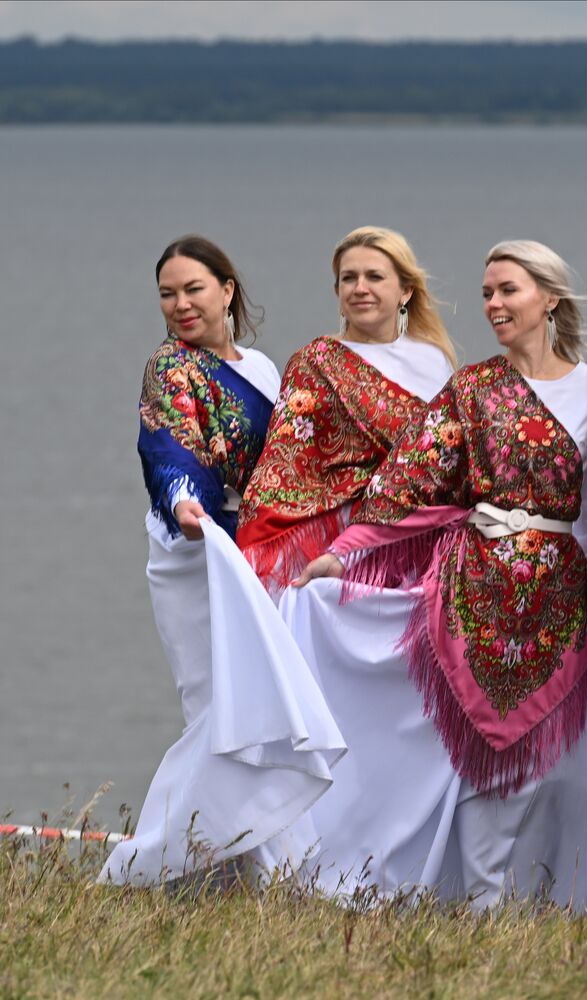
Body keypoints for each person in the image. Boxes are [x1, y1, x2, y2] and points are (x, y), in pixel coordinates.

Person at [291, 240, 587, 909]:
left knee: (565, 766)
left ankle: (559, 904)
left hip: (561, 596)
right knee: (482, 767)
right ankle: (480, 906)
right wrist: (346, 552)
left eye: (509, 290)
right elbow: (406, 481)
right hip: (476, 593)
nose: (494, 304)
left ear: (549, 299)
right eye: (488, 293)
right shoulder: (472, 388)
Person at [103, 236, 343, 886]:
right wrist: (185, 502)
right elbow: (167, 450)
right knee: (217, 707)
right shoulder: (168, 368)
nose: (180, 304)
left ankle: (258, 869)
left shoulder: (264, 370)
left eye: (193, 289)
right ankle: (151, 861)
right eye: (167, 294)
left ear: (227, 290)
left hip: (256, 552)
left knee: (258, 701)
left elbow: (290, 463)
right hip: (194, 550)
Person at [237, 226, 456, 591]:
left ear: (406, 290)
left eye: (374, 277)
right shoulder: (315, 362)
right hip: (333, 547)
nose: (360, 288)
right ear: (338, 293)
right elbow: (285, 465)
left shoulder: (435, 362)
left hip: (415, 543)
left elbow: (447, 460)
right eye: (348, 279)